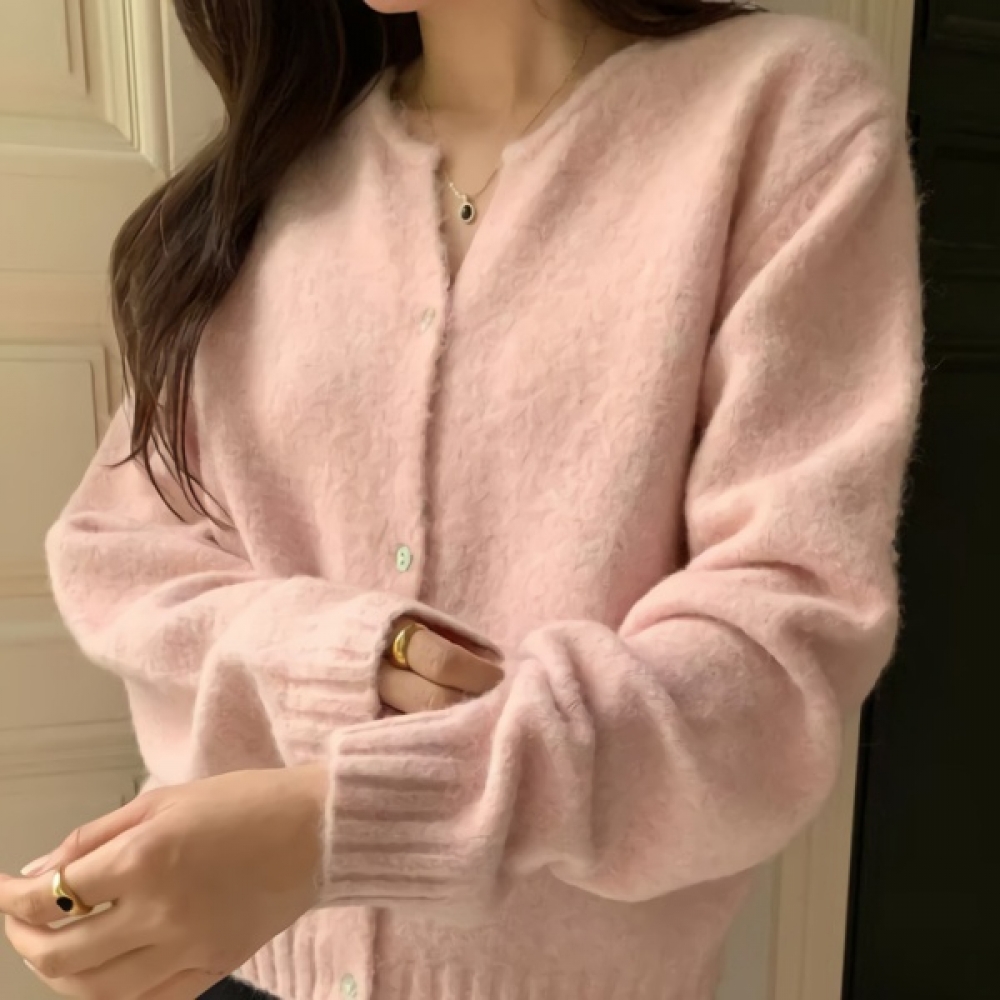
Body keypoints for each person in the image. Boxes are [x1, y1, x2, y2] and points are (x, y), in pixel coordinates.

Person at [0, 0, 923, 998]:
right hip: (233, 965)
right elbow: (116, 558)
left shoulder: (780, 111)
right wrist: (347, 660)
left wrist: (335, 826)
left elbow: (772, 664)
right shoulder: (273, 177)